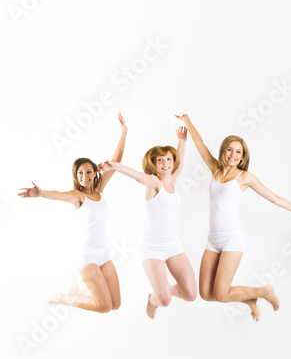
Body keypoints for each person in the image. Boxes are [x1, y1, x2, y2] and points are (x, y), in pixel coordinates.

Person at [175, 114, 291, 321]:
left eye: (238, 152)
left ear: (243, 157)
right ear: (224, 151)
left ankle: (263, 291)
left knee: (222, 294)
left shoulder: (244, 177)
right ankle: (249, 299)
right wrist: (187, 120)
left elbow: (275, 199)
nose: (233, 154)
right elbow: (199, 142)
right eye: (230, 149)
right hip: (213, 240)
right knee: (206, 294)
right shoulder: (215, 169)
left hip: (232, 239)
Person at [18, 113, 127, 313]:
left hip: (104, 255)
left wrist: (124, 132)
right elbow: (58, 194)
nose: (84, 176)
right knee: (104, 307)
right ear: (76, 176)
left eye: (88, 172)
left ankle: (76, 293)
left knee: (116, 304)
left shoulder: (99, 189)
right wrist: (40, 193)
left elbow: (115, 161)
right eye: (80, 173)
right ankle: (65, 298)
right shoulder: (77, 196)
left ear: (95, 173)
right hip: (86, 258)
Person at [98, 126, 197, 318]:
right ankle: (153, 298)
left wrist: (182, 142)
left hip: (173, 245)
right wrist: (115, 166)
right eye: (160, 160)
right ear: (153, 164)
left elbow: (180, 164)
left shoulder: (172, 180)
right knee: (165, 300)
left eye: (168, 159)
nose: (165, 163)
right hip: (153, 248)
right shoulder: (154, 182)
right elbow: (136, 174)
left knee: (191, 294)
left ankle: (164, 290)